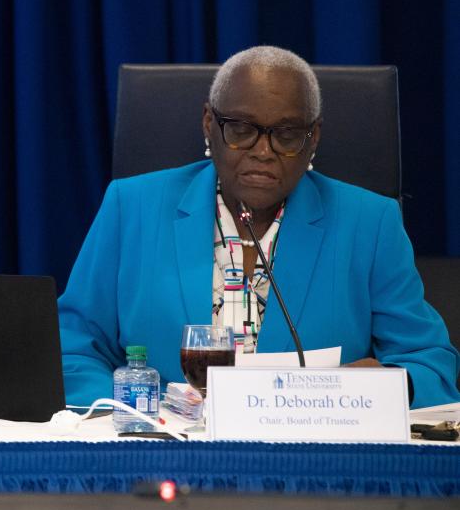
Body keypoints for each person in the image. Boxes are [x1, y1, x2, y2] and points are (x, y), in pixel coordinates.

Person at [59, 45, 459, 409]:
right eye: (241, 129)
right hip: (161, 453)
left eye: (287, 135)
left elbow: (430, 363)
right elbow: (72, 349)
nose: (264, 152)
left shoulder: (369, 223)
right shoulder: (132, 207)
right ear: (208, 125)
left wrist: (390, 386)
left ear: (312, 137)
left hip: (316, 460)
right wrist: (129, 413)